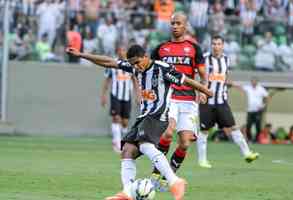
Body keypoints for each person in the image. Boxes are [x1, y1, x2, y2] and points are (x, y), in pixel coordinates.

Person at [66, 44, 212, 200]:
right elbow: (109, 62)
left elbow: (186, 80)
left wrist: (205, 90)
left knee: (145, 144)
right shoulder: (134, 67)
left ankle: (175, 181)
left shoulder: (162, 68)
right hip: (144, 116)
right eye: (132, 64)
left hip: (158, 115)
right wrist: (82, 55)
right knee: (127, 150)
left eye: (137, 62)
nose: (136, 67)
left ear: (146, 57)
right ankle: (127, 192)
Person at [150, 12, 209, 182]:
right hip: (169, 98)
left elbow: (203, 74)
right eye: (173, 23)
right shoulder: (161, 48)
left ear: (185, 25)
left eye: (178, 23)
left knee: (185, 142)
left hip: (188, 100)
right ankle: (156, 171)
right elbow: (151, 71)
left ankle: (168, 175)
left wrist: (203, 90)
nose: (175, 26)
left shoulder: (194, 48)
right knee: (167, 133)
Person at [197, 35, 259, 168]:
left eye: (219, 44)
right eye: (214, 44)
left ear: (223, 46)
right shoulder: (205, 58)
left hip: (221, 101)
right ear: (211, 45)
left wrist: (233, 85)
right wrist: (200, 92)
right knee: (204, 131)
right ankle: (202, 160)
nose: (216, 46)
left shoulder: (226, 59)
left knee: (233, 127)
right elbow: (200, 77)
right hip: (207, 101)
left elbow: (224, 78)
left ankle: (247, 154)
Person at [101, 47, 139, 153]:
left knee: (125, 122)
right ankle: (116, 143)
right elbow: (107, 81)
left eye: (124, 50)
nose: (122, 52)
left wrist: (138, 95)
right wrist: (103, 95)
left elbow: (135, 80)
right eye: (120, 50)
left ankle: (123, 141)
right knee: (116, 118)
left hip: (127, 96)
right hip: (115, 95)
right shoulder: (112, 64)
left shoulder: (131, 65)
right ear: (117, 51)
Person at [231, 77, 270, 142]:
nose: (253, 83)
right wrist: (232, 84)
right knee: (249, 125)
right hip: (250, 110)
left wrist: (263, 106)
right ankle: (249, 139)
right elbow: (240, 87)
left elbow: (267, 97)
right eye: (252, 81)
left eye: (254, 81)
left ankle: (257, 139)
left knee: (257, 126)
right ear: (251, 82)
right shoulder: (248, 88)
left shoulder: (261, 89)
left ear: (257, 82)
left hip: (258, 111)